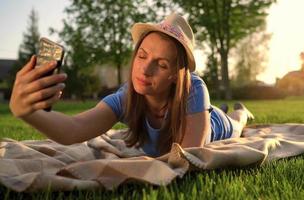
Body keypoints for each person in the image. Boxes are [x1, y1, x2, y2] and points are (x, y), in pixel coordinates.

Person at [9, 13, 253, 157]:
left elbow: (187, 157)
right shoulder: (126, 97)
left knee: (236, 123)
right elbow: (74, 129)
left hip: (215, 125)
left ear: (175, 76)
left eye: (162, 64)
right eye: (143, 56)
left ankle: (239, 111)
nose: (145, 70)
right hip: (198, 114)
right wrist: (28, 112)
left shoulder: (193, 89)